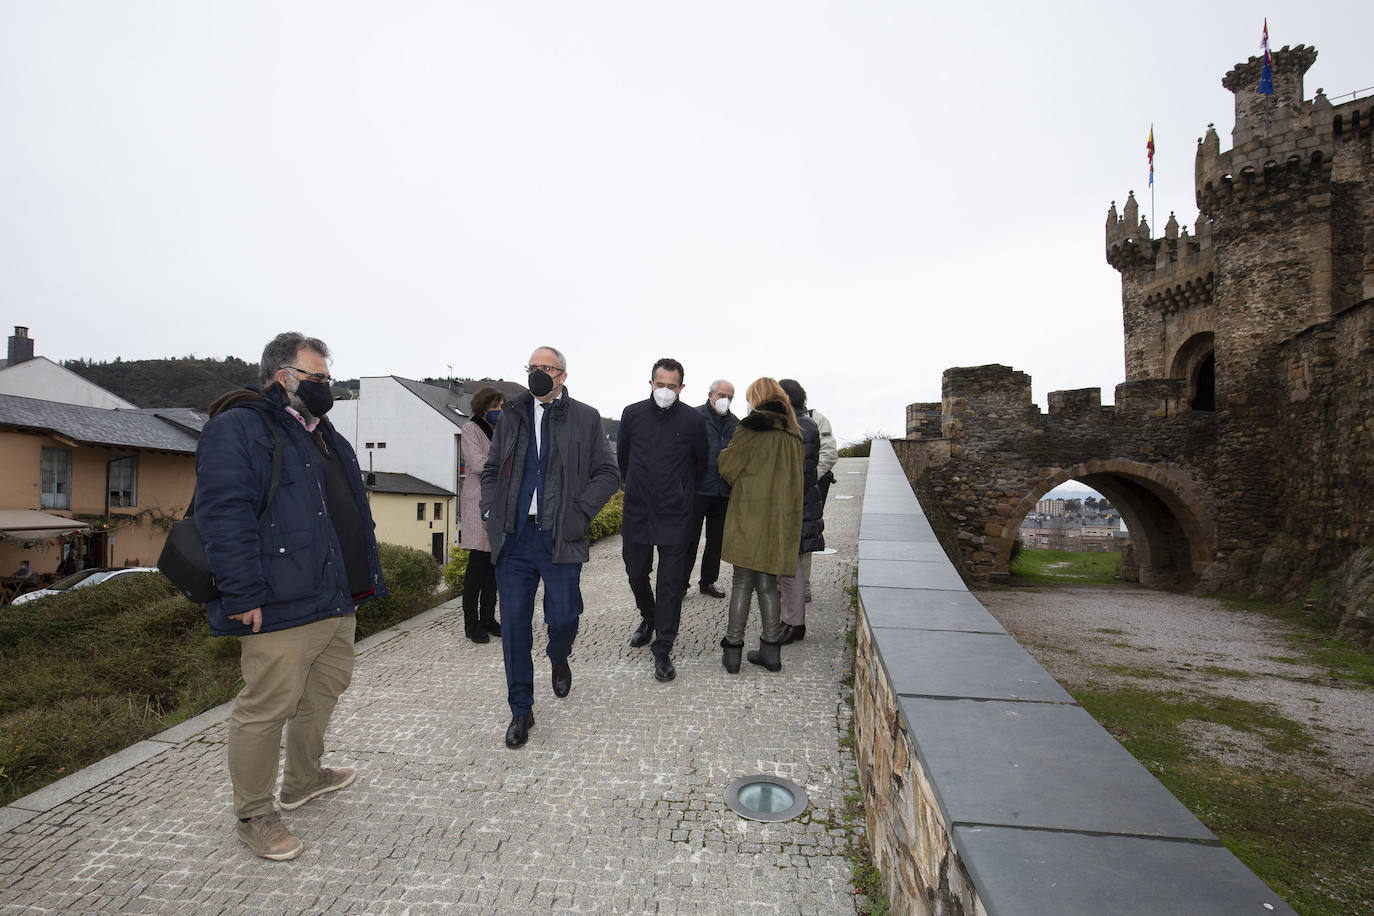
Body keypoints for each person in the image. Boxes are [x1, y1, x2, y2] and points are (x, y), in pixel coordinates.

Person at [195, 332, 388, 862]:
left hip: (334, 593)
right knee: (266, 707)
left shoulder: (322, 433)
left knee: (324, 689)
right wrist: (241, 593)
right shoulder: (240, 428)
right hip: (279, 600)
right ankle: (254, 813)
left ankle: (303, 779)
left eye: (328, 377)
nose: (327, 386)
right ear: (284, 377)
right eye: (317, 377)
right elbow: (223, 514)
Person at [481, 346, 619, 749]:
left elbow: (608, 472)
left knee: (563, 617)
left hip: (560, 536)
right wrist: (490, 511)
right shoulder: (512, 414)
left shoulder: (586, 417)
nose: (538, 374)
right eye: (532, 368)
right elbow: (491, 469)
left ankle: (559, 656)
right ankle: (521, 709)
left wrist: (579, 514)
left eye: (546, 368)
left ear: (562, 376)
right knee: (514, 629)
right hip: (515, 538)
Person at [619, 358, 708, 682]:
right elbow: (623, 460)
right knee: (635, 572)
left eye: (672, 386)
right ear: (651, 384)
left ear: (681, 387)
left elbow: (700, 464)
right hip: (638, 511)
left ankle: (663, 648)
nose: (666, 391)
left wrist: (680, 490)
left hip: (675, 514)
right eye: (661, 384)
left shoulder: (694, 420)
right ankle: (648, 615)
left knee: (670, 584)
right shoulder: (632, 414)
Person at [716, 378, 803, 674]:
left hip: (749, 516)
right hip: (780, 521)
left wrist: (725, 454)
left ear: (756, 398)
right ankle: (771, 652)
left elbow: (728, 468)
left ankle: (733, 652)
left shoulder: (752, 426)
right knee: (767, 586)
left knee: (742, 582)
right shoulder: (794, 432)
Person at [777, 379, 825, 644]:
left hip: (797, 507)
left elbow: (797, 470)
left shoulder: (802, 425)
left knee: (791, 567)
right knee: (787, 567)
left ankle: (795, 623)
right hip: (796, 505)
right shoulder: (798, 422)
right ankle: (789, 620)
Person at [682, 379, 738, 599]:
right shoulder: (693, 417)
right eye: (722, 395)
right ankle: (681, 584)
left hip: (723, 490)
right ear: (711, 394)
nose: (725, 400)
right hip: (696, 489)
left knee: (716, 540)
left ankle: (708, 581)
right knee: (688, 539)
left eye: (730, 397)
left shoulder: (736, 423)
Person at [459, 386, 506, 643]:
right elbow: (476, 464)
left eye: (501, 407)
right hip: (477, 501)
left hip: (497, 503)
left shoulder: (500, 431)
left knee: (492, 566)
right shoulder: (471, 429)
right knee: (477, 565)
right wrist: (502, 461)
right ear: (483, 407)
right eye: (495, 407)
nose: (499, 411)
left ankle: (488, 618)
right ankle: (471, 623)